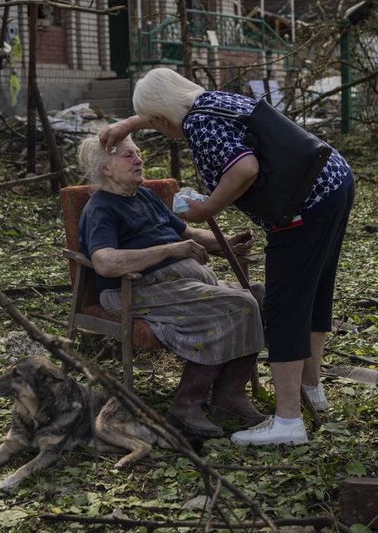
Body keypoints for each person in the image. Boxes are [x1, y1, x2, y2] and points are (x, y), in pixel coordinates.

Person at [98, 67, 353, 446]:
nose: (141, 154)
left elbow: (245, 168)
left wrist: (208, 207)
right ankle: (310, 390)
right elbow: (168, 112)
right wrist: (131, 122)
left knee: (283, 308)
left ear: (163, 118)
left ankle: (287, 421)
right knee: (313, 296)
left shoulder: (198, 126)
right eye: (128, 154)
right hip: (332, 182)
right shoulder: (212, 101)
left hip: (301, 207)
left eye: (155, 126)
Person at [76, 134, 267, 439]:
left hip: (182, 283)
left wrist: (226, 243)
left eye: (138, 153)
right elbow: (105, 262)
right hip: (135, 289)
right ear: (106, 169)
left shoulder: (146, 196)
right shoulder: (101, 208)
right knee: (237, 304)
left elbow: (185, 231)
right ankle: (186, 406)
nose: (139, 160)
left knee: (260, 295)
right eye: (128, 156)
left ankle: (229, 397)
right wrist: (169, 251)